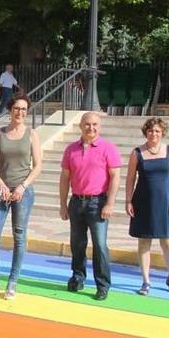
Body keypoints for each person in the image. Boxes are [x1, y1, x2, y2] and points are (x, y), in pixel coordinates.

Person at [0, 92, 42, 299]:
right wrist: (1, 185)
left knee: (19, 236)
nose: (20, 112)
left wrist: (23, 186)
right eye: (17, 108)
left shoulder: (32, 134)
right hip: (1, 191)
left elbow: (38, 166)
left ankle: (13, 282)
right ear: (10, 110)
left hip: (22, 192)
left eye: (24, 109)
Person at [59, 112, 122, 301]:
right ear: (80, 126)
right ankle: (78, 276)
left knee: (100, 245)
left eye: (95, 124)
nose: (91, 128)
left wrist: (110, 203)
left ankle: (102, 284)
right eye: (87, 124)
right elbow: (64, 178)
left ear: (100, 127)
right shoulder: (71, 149)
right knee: (77, 243)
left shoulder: (108, 148)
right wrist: (63, 204)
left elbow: (115, 177)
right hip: (77, 201)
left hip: (98, 202)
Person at [124, 117, 169, 296]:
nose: (153, 134)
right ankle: (146, 280)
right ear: (145, 132)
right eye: (150, 131)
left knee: (168, 243)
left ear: (162, 132)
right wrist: (128, 201)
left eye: (157, 131)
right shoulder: (137, 153)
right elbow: (130, 178)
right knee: (144, 243)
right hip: (143, 202)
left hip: (165, 202)